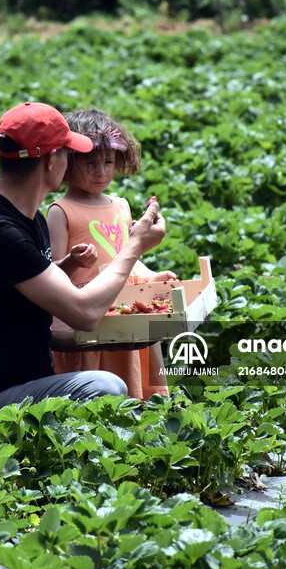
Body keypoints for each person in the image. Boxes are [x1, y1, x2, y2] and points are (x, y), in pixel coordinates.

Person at [0, 102, 167, 430]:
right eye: (68, 154)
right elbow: (83, 313)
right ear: (53, 161)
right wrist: (135, 245)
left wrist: (122, 338)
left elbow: (42, 328)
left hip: (28, 389)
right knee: (107, 388)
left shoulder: (28, 219)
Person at [47, 108, 176, 399]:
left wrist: (152, 277)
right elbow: (51, 272)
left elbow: (126, 258)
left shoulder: (120, 204)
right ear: (67, 161)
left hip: (126, 309)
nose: (101, 171)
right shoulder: (60, 211)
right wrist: (71, 261)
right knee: (99, 381)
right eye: (89, 163)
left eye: (107, 161)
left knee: (133, 377)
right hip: (89, 314)